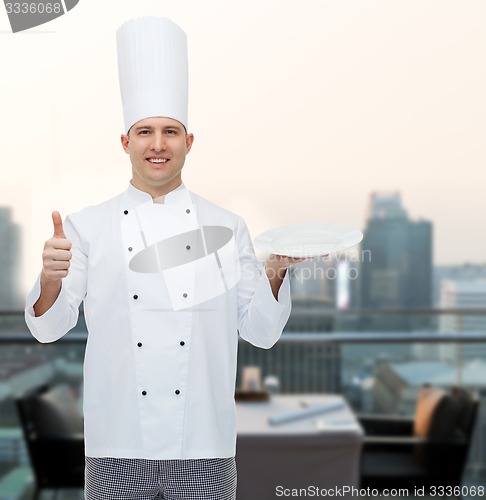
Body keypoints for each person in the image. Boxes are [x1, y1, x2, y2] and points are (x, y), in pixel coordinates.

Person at [25, 16, 300, 500]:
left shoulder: (227, 226)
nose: (158, 144)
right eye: (145, 131)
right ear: (125, 142)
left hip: (204, 447)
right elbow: (48, 328)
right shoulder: (86, 226)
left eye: (170, 132)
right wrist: (50, 278)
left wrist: (276, 272)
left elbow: (260, 332)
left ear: (188, 143)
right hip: (115, 446)